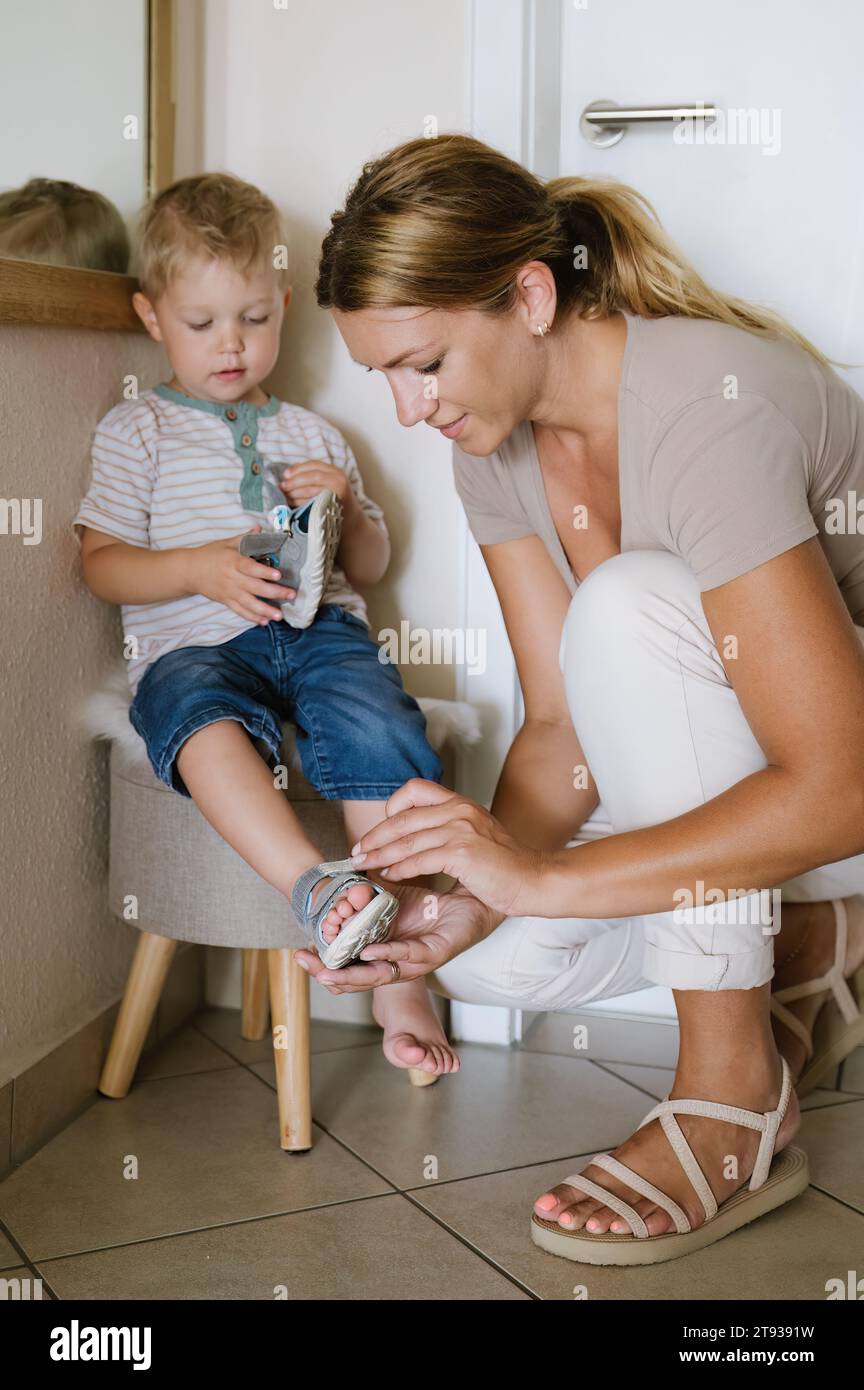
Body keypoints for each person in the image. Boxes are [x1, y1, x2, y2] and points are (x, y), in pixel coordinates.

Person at [299, 132, 864, 1265]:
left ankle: (732, 1098)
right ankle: (817, 944)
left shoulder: (706, 404)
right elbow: (560, 724)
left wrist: (543, 873)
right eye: (384, 377)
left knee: (628, 603)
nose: (409, 410)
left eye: (425, 362)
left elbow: (842, 787)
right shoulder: (493, 448)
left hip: (838, 793)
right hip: (750, 795)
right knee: (487, 956)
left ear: (530, 294)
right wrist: (480, 884)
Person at [71, 171, 457, 1080]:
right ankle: (315, 886)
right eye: (203, 324)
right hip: (195, 643)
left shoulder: (316, 435)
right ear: (152, 317)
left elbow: (369, 568)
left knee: (378, 716)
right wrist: (199, 568)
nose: (232, 344)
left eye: (253, 317)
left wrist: (351, 517)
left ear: (284, 304)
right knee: (190, 714)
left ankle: (402, 977)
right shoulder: (138, 432)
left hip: (320, 634)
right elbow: (100, 564)